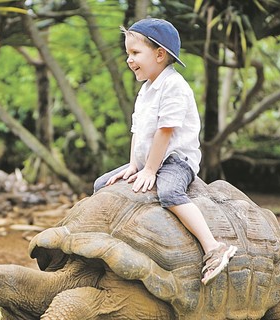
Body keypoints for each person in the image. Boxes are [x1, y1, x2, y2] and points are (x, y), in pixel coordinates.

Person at [93, 18, 237, 285]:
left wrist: (150, 169)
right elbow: (138, 131)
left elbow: (165, 131)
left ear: (160, 54)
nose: (129, 60)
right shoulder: (146, 90)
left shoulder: (175, 87)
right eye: (128, 54)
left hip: (176, 161)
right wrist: (134, 165)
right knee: (101, 184)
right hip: (150, 160)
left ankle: (213, 247)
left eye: (135, 53)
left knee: (169, 192)